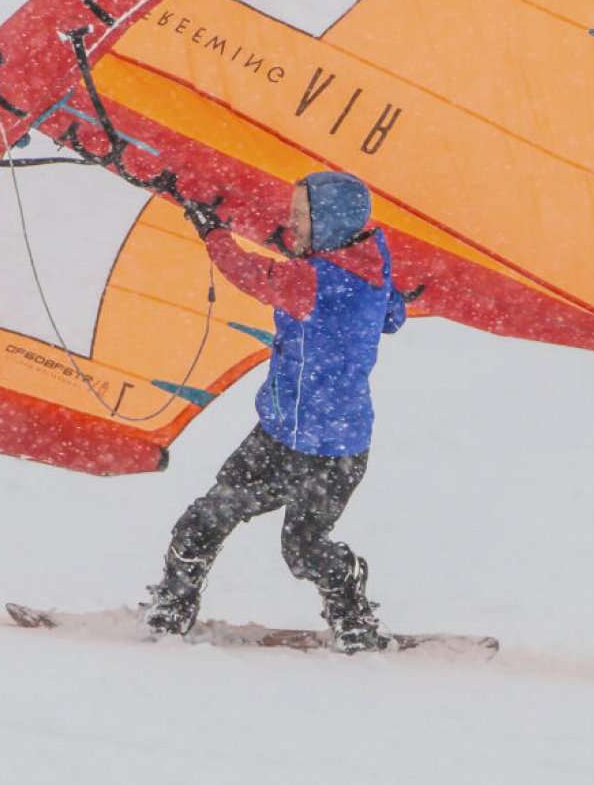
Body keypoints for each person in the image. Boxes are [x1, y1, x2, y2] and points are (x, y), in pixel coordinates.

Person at [144, 171, 411, 653]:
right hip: (321, 443)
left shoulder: (315, 281)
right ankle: (172, 615)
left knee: (238, 532)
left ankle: (173, 612)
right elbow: (393, 316)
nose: (292, 221)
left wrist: (214, 234)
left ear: (331, 223)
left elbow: (252, 276)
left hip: (307, 447)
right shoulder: (371, 270)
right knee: (265, 539)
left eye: (302, 215)